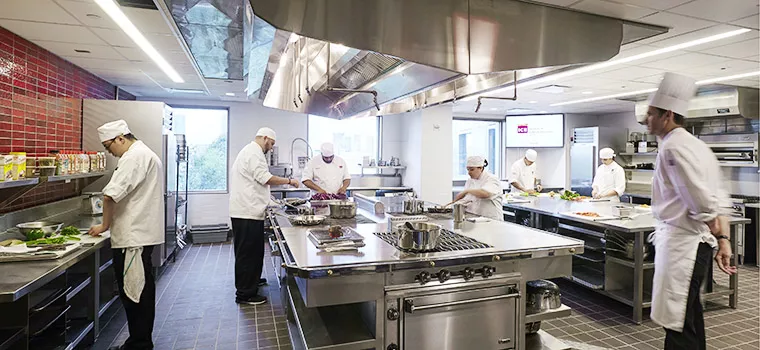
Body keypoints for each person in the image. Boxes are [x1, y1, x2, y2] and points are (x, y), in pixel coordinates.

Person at [643, 72, 735, 350]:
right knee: (689, 313)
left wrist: (711, 222)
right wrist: (723, 239)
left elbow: (701, 199)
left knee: (678, 318)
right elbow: (719, 194)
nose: (646, 119)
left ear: (667, 115)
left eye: (650, 114)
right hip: (697, 243)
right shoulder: (697, 146)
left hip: (684, 245)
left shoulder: (673, 148)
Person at [88, 120, 163, 350]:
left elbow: (110, 196)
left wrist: (104, 226)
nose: (110, 152)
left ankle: (139, 344)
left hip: (133, 239)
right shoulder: (144, 154)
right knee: (139, 289)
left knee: (135, 291)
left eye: (110, 147)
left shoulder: (134, 157)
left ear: (121, 138)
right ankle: (138, 341)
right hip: (139, 235)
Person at [229, 127, 300, 305]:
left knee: (253, 252)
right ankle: (245, 294)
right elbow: (265, 178)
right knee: (247, 253)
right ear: (266, 138)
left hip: (249, 210)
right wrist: (289, 182)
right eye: (272, 144)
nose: (271, 147)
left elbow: (256, 183)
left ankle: (251, 281)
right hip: (247, 212)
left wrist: (270, 199)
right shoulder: (254, 153)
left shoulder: (252, 151)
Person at [447, 156, 504, 221]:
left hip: (491, 220)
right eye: (468, 169)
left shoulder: (492, 179)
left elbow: (485, 193)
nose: (469, 172)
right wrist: (454, 204)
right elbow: (467, 199)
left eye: (472, 169)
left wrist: (467, 191)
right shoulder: (470, 181)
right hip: (474, 219)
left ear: (481, 168)